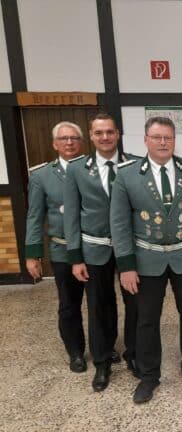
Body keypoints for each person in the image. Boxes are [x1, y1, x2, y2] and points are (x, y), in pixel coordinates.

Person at [110, 116, 182, 404]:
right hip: (146, 259)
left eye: (168, 137)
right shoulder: (127, 175)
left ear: (175, 140)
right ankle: (149, 376)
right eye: (157, 137)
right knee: (146, 320)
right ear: (145, 140)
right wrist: (126, 266)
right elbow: (119, 224)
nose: (163, 142)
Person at [64, 114, 138, 391]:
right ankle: (102, 362)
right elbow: (71, 215)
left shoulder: (135, 164)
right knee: (98, 307)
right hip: (95, 248)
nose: (105, 137)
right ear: (91, 136)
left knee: (136, 304)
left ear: (117, 134)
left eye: (109, 132)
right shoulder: (77, 169)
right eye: (99, 132)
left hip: (130, 248)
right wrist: (75, 257)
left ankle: (134, 355)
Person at [25, 121, 87, 374]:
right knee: (69, 304)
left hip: (93, 248)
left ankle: (105, 346)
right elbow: (34, 216)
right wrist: (33, 254)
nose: (69, 142)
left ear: (82, 142)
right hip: (63, 250)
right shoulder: (41, 176)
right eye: (63, 138)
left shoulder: (92, 169)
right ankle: (76, 352)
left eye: (74, 138)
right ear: (54, 144)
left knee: (101, 302)